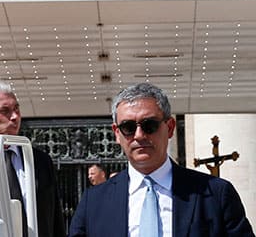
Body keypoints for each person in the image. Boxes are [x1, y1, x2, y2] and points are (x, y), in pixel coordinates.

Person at [69, 83, 254, 237]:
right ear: (117, 134)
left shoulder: (216, 194)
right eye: (128, 127)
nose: (139, 135)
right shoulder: (93, 202)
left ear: (170, 127)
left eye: (149, 125)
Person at [0, 82, 65, 237]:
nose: (15, 117)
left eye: (16, 109)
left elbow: (55, 218)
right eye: (5, 111)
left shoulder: (40, 161)